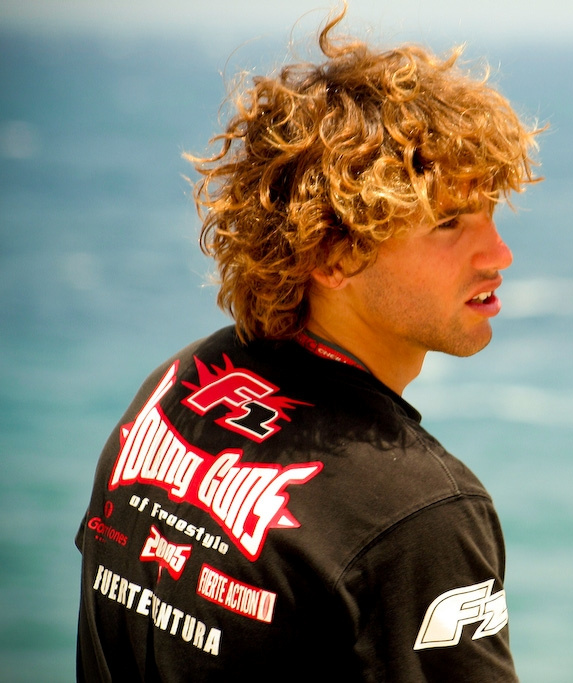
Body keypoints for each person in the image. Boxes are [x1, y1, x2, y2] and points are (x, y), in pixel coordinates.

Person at [75, 9, 541, 681]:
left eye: (491, 210)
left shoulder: (170, 391)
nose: (499, 254)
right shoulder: (419, 516)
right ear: (333, 254)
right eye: (448, 222)